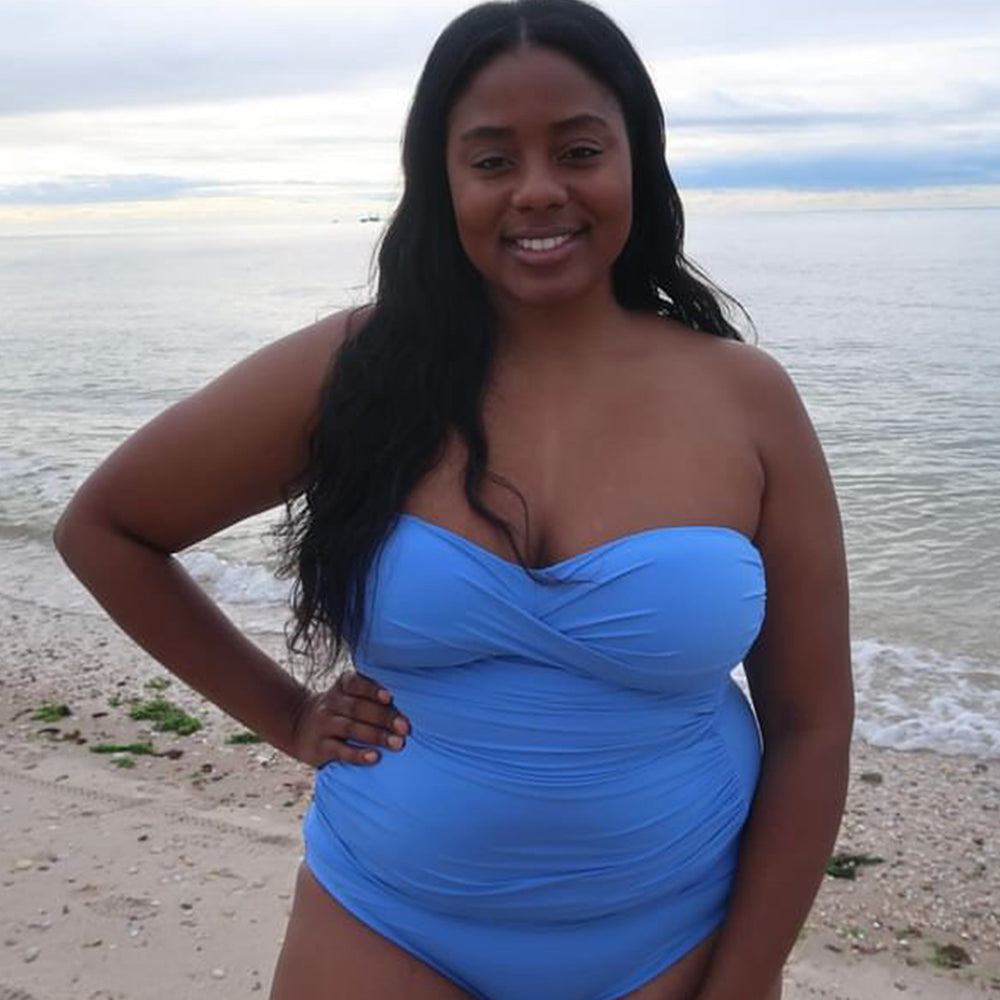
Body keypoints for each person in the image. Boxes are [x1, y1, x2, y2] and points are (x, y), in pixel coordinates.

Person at [54, 1, 854, 998]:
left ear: (635, 163)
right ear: (440, 181)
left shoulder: (746, 397)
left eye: (577, 150)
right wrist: (289, 714)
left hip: (671, 931)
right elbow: (110, 527)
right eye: (489, 161)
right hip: (387, 920)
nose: (536, 192)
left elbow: (812, 720)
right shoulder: (358, 371)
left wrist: (745, 977)